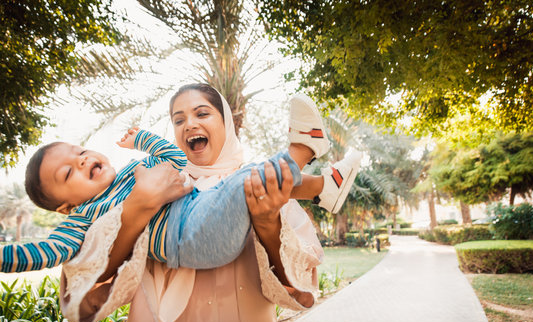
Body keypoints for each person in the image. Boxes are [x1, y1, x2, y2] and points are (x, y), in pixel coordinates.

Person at [58, 84, 359, 322]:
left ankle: (320, 181)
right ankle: (318, 176)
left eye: (202, 113)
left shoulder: (266, 186)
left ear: (226, 123)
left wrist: (268, 224)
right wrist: (137, 208)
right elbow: (83, 294)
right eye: (178, 120)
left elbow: (301, 291)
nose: (189, 124)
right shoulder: (145, 184)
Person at [1, 96, 360, 274]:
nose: (80, 161)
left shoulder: (135, 169)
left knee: (244, 177)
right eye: (67, 174)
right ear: (65, 207)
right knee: (243, 183)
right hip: (188, 238)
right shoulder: (80, 219)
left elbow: (174, 159)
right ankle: (303, 149)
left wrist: (142, 138)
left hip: (206, 217)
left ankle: (324, 187)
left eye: (79, 152)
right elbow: (43, 253)